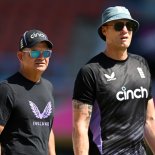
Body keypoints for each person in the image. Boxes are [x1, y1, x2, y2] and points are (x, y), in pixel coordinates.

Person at [72, 6, 155, 155]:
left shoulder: (141, 64)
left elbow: (149, 120)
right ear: (104, 30)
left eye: (129, 26)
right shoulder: (90, 71)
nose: (125, 30)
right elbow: (80, 127)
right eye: (118, 25)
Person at [0, 29, 56, 155]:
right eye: (35, 52)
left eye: (46, 53)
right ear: (20, 56)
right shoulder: (7, 88)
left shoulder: (48, 87)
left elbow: (48, 129)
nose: (42, 57)